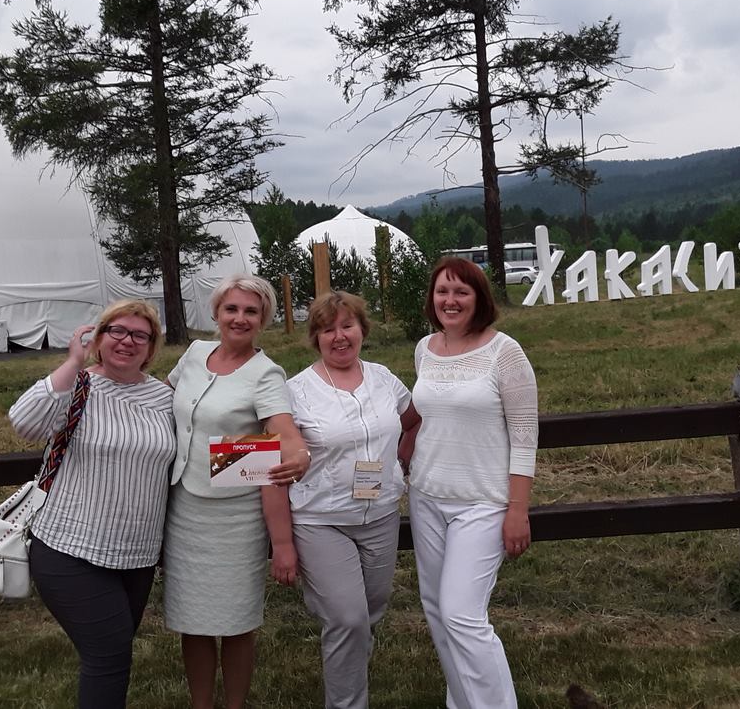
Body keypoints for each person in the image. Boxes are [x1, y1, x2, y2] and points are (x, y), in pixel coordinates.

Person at [9, 299, 176, 708]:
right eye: (116, 331)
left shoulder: (164, 398)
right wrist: (72, 362)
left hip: (136, 556)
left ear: (151, 347)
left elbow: (198, 450)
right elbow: (24, 423)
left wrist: (266, 457)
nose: (127, 341)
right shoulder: (78, 386)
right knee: (109, 656)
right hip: (70, 548)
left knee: (111, 652)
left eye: (140, 335)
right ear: (98, 338)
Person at [163, 273, 310, 709]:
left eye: (251, 311)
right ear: (216, 312)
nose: (240, 318)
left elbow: (283, 433)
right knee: (193, 620)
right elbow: (161, 399)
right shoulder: (194, 353)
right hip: (184, 510)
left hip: (235, 519)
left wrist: (297, 453)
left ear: (263, 319)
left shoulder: (266, 373)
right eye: (232, 309)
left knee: (237, 622)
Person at [409, 257, 539, 709]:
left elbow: (524, 437)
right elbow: (424, 410)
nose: (450, 300)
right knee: (436, 611)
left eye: (461, 292)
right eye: (442, 291)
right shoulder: (425, 349)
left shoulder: (505, 352)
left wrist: (517, 510)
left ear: (479, 298)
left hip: (483, 502)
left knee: (461, 614)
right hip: (426, 496)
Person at [283, 291, 421, 709]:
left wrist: (403, 457)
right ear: (316, 337)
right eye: (328, 329)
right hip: (321, 518)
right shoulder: (296, 391)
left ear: (362, 329)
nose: (339, 336)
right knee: (347, 617)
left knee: (370, 612)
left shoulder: (383, 378)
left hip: (380, 513)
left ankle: (349, 675)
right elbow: (273, 453)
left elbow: (413, 417)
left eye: (347, 326)